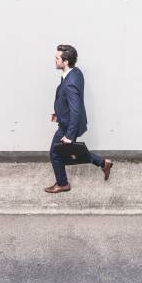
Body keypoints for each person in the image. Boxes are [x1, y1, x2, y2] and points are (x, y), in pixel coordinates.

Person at [45, 44, 113, 193]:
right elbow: (70, 103)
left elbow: (75, 110)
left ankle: (62, 184)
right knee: (72, 151)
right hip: (66, 121)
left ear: (66, 61)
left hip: (68, 126)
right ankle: (103, 163)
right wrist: (59, 112)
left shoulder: (70, 83)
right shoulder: (75, 72)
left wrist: (69, 135)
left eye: (57, 58)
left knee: (55, 153)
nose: (54, 60)